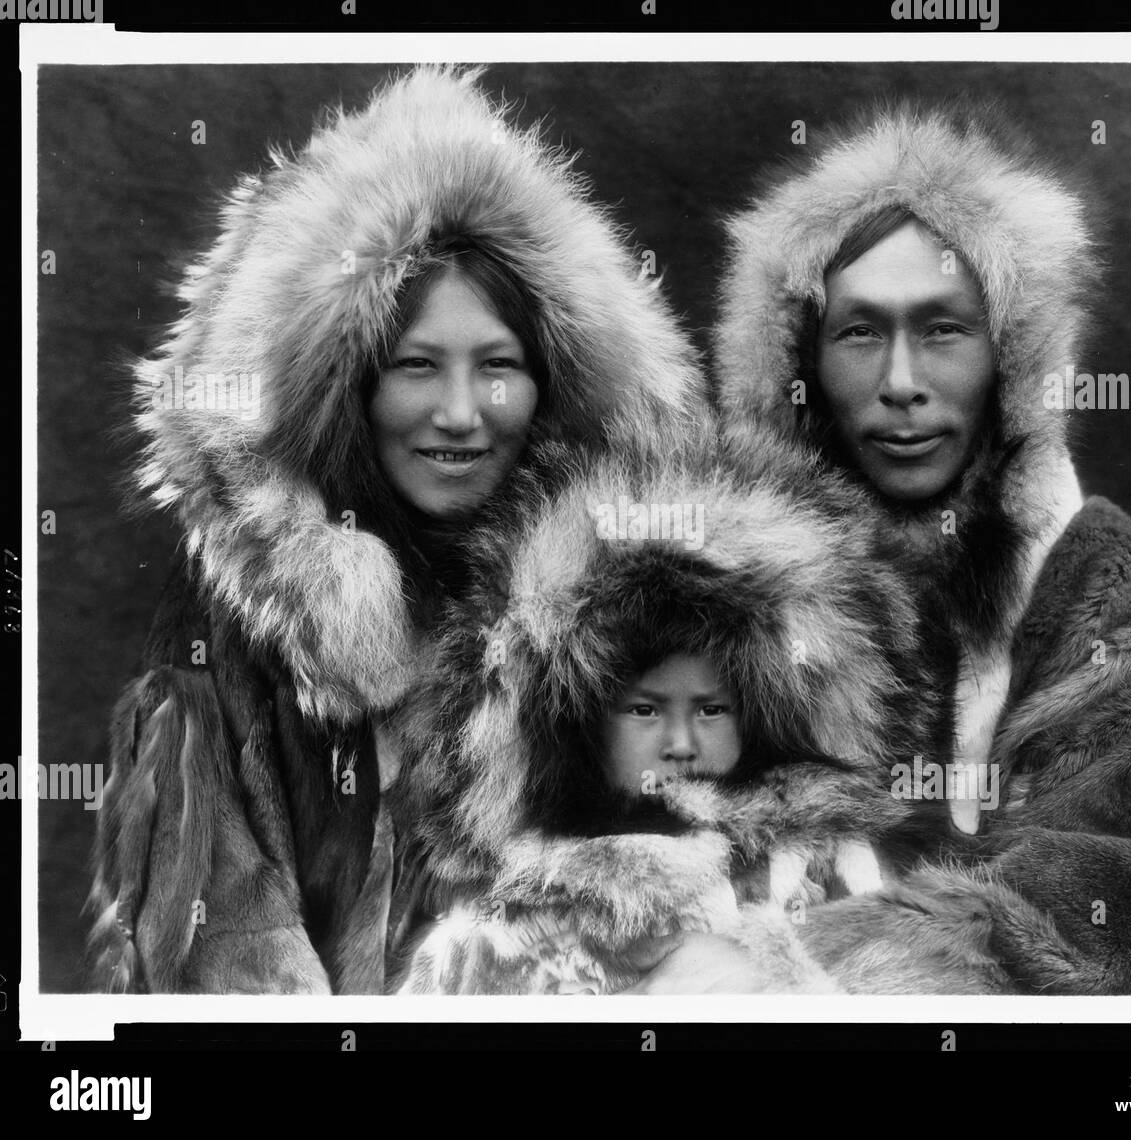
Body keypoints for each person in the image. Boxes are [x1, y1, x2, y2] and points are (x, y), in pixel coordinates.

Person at [86, 65, 704, 994]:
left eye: (497, 365)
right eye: (417, 365)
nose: (460, 413)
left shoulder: (629, 604)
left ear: (551, 386)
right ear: (352, 389)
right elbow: (212, 949)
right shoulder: (240, 616)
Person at [663, 99, 1131, 995]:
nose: (901, 383)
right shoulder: (721, 591)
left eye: (943, 329)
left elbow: (1072, 942)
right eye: (860, 332)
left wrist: (759, 970)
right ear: (800, 363)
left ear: (1009, 359)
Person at [384, 438, 969, 994]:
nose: (682, 743)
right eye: (644, 710)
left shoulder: (828, 874)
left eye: (712, 710)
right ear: (579, 729)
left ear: (760, 721)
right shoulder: (495, 932)